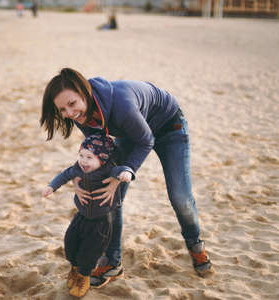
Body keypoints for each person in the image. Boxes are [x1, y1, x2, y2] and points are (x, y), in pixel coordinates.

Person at [40, 68, 214, 286]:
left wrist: (126, 171)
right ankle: (112, 263)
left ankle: (196, 247)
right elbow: (99, 151)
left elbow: (146, 141)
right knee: (108, 195)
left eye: (72, 104)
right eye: (62, 109)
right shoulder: (79, 115)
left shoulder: (121, 104)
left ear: (84, 93)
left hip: (169, 126)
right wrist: (81, 178)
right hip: (130, 132)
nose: (70, 113)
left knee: (180, 197)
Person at [43, 134, 131, 297]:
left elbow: (122, 170)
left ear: (102, 159)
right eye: (81, 155)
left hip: (101, 222)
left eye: (89, 157)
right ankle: (75, 270)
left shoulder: (109, 170)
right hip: (81, 216)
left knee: (90, 252)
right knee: (70, 242)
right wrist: (52, 186)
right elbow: (64, 175)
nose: (83, 161)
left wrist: (126, 173)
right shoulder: (78, 168)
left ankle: (84, 276)